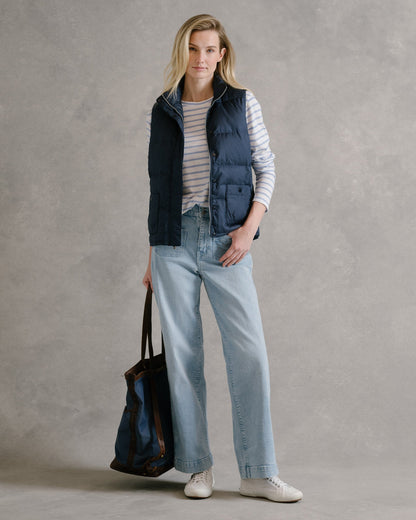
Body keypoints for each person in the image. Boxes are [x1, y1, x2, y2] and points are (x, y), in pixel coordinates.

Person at [142, 14, 303, 502]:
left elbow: (266, 167)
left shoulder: (240, 102)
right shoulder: (163, 108)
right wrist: (152, 254)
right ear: (182, 52)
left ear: (222, 54)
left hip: (225, 240)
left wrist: (248, 231)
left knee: (248, 353)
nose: (201, 58)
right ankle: (198, 468)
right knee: (183, 357)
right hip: (171, 243)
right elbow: (159, 187)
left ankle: (258, 472)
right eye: (193, 48)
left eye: (210, 49)